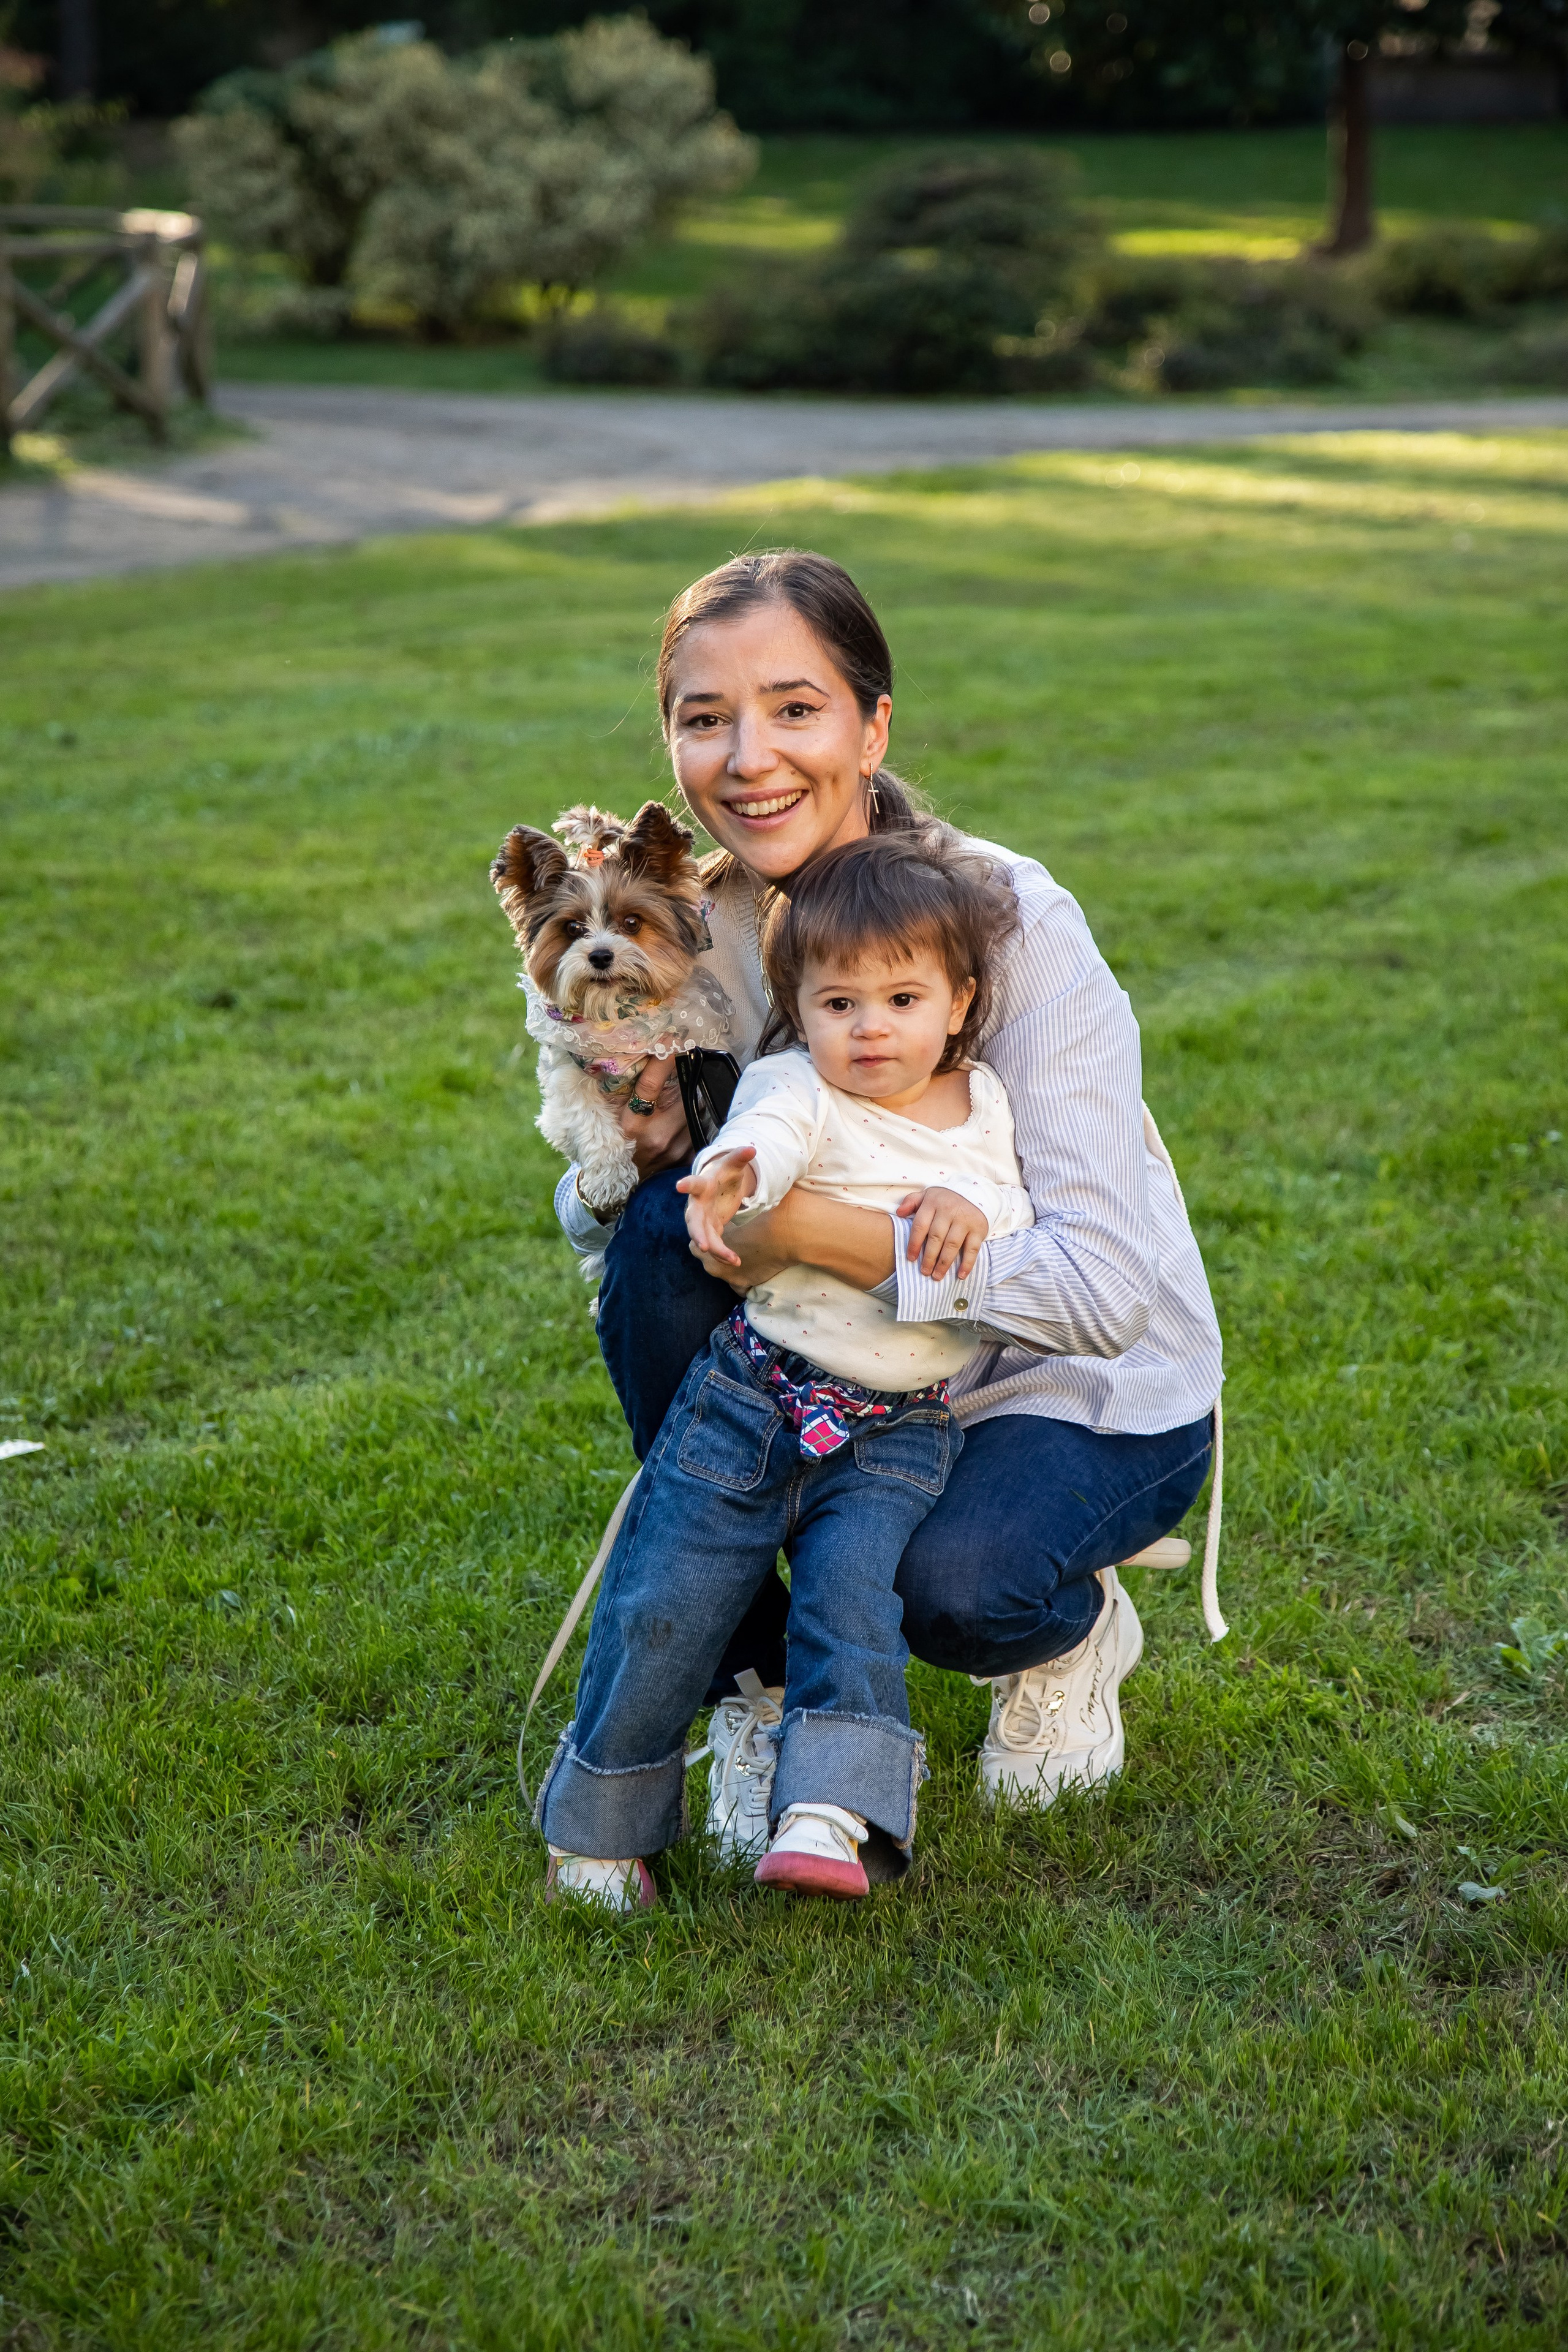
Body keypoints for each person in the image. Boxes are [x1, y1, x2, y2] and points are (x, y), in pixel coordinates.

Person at [549, 549, 1223, 1888]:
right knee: (646, 1249)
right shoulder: (699, 924)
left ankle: (1065, 1631)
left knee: (954, 1591)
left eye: (794, 709)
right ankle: (752, 1693)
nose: (748, 758)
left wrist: (809, 1234)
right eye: (704, 719)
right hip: (826, 1363)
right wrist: (627, 1166)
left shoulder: (1009, 919)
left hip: (1059, 1381)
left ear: (872, 724)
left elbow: (1100, 1293)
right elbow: (630, 1269)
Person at [536, 830, 1033, 1907]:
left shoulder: (985, 1109)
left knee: (851, 1602)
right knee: (664, 1595)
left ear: (958, 1004)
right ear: (795, 1007)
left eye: (901, 1001)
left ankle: (830, 1811)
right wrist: (728, 1172)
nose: (868, 1029)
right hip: (751, 1393)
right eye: (837, 1003)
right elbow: (757, 1137)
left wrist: (969, 1210)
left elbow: (1013, 1220)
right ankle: (600, 1829)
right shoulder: (795, 1087)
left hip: (897, 1426)